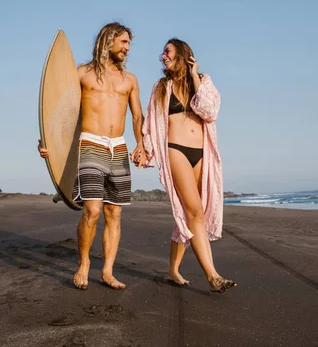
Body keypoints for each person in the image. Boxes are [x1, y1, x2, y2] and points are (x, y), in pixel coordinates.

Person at [39, 22, 146, 290]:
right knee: (93, 210)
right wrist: (48, 141)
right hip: (90, 144)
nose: (127, 48)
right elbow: (60, 109)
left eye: (129, 44)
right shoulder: (82, 74)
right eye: (123, 42)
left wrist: (141, 144)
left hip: (118, 148)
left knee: (114, 213)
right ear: (107, 41)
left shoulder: (129, 80)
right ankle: (84, 262)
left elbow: (136, 116)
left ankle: (107, 271)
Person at [137, 38, 236, 293]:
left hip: (201, 153)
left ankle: (172, 270)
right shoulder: (161, 87)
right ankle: (213, 276)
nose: (162, 56)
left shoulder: (203, 81)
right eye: (162, 52)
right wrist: (144, 148)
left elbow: (210, 111)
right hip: (175, 151)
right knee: (195, 213)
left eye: (167, 51)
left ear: (181, 54)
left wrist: (194, 76)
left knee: (186, 216)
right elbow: (151, 123)